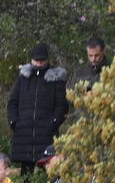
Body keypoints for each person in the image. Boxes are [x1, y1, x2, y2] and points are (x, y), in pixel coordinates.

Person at [7, 43, 70, 175]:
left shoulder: (56, 81)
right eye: (36, 60)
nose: (39, 64)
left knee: (47, 171)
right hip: (24, 133)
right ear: (31, 60)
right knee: (26, 174)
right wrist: (14, 122)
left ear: (47, 60)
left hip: (46, 133)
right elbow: (12, 102)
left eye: (42, 61)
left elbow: (62, 105)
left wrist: (53, 123)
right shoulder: (23, 79)